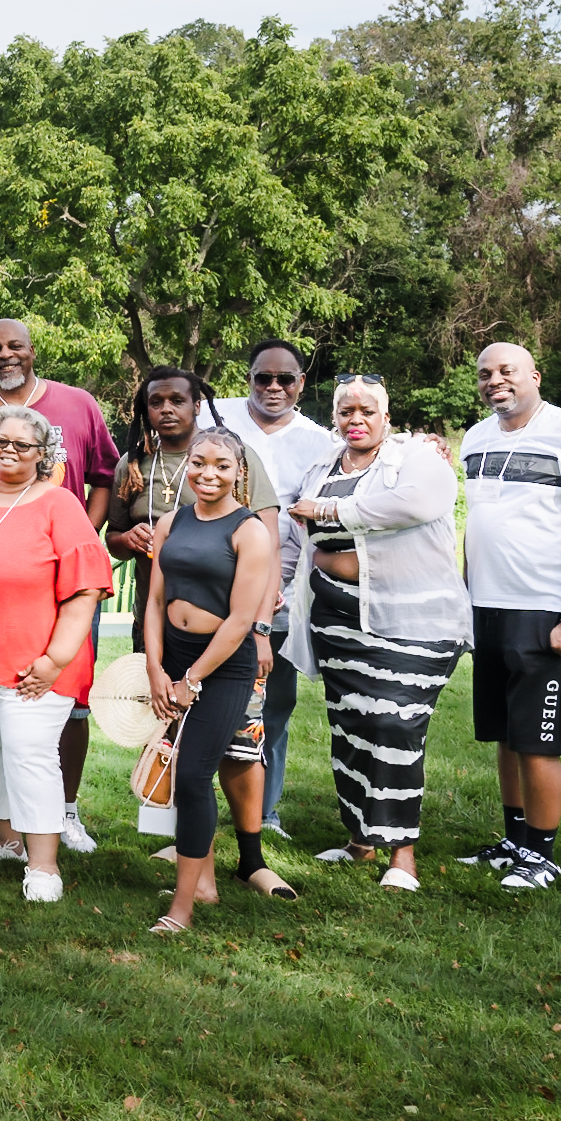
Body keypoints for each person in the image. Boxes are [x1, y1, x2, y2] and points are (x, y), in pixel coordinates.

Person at [0, 319, 118, 853]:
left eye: (23, 443)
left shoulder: (60, 500)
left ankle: (45, 861)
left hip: (39, 647)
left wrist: (55, 658)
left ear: (44, 453)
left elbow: (86, 584)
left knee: (31, 751)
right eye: (1, 441)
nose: (10, 449)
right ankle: (6, 841)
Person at [284, 374, 466, 893]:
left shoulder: (417, 459)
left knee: (394, 727)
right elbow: (299, 530)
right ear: (334, 417)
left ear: (387, 416)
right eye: (346, 411)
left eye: (367, 411)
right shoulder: (323, 466)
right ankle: (360, 840)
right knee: (351, 728)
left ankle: (402, 854)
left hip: (412, 624)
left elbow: (413, 506)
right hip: (339, 625)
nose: (356, 420)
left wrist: (327, 511)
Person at [456, 343, 561, 893]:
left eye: (507, 370)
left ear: (535, 376)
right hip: (488, 605)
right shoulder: (476, 438)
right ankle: (514, 841)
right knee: (506, 734)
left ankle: (541, 857)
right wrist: (465, 598)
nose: (495, 380)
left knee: (537, 740)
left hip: (549, 609)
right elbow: (480, 525)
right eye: (485, 373)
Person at [106, 367, 284, 865]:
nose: (166, 409)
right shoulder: (133, 463)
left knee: (240, 742)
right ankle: (190, 849)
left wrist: (261, 630)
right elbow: (113, 537)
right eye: (155, 401)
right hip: (160, 626)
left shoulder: (233, 455)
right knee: (175, 740)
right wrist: (128, 538)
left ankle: (251, 858)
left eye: (177, 400)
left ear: (196, 405)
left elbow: (267, 544)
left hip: (232, 633)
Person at [142, 429, 290, 933]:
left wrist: (191, 679)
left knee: (192, 775)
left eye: (222, 465)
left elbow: (241, 620)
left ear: (239, 472)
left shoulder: (250, 531)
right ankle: (202, 885)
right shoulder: (171, 522)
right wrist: (156, 668)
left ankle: (181, 909)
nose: (208, 474)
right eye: (199, 463)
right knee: (180, 772)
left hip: (223, 667)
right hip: (174, 658)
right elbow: (155, 601)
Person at [216, 339, 332, 836]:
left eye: (285, 379)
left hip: (280, 592)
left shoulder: (319, 441)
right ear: (249, 378)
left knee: (272, 704)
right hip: (212, 584)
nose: (273, 387)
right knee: (199, 699)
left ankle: (264, 811)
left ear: (301, 383)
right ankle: (182, 806)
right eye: (263, 377)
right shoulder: (215, 417)